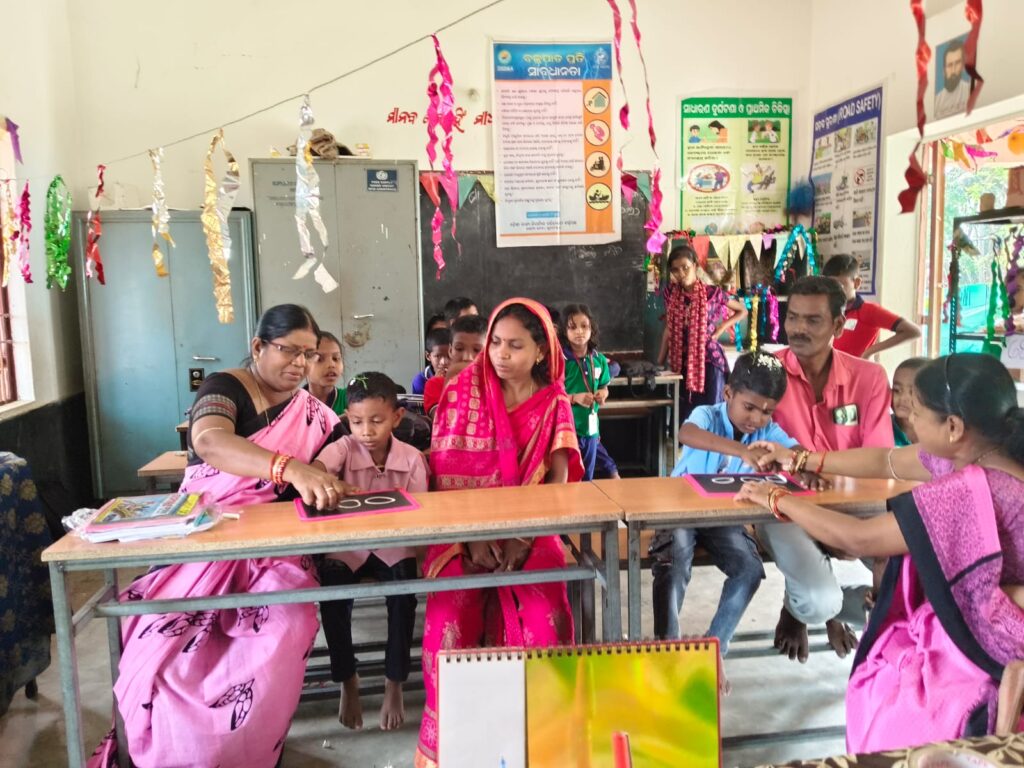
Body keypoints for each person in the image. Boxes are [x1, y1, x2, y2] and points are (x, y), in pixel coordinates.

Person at [89, 305, 352, 768]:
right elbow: (210, 440)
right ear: (258, 347)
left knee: (285, 628)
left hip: (273, 551)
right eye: (289, 350)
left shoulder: (314, 413)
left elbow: (338, 459)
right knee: (160, 647)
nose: (300, 364)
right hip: (205, 542)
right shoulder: (225, 388)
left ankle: (250, 751)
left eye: (308, 354)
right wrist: (288, 467)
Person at [742, 353, 1024, 753]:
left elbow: (859, 538)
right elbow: (886, 461)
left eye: (917, 413)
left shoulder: (967, 490)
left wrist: (776, 498)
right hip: (1001, 620)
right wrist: (801, 458)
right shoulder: (990, 455)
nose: (908, 419)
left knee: (888, 692)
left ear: (953, 427)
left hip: (991, 647)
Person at [414, 298, 583, 768]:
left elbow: (558, 481)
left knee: (545, 615)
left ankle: (543, 741)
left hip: (534, 528)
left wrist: (523, 537)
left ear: (541, 351)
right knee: (450, 621)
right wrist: (472, 537)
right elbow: (445, 474)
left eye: (515, 346)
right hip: (461, 530)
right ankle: (453, 746)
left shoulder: (554, 402)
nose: (500, 354)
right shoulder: (459, 391)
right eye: (495, 343)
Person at [756, 275, 894, 664]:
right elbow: (751, 453)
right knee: (817, 601)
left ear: (838, 325)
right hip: (780, 505)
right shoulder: (765, 372)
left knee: (913, 581)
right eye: (793, 317)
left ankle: (809, 605)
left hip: (855, 508)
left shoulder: (869, 379)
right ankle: (810, 608)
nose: (798, 328)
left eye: (813, 320)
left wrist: (845, 530)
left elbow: (877, 462)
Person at [651, 350, 795, 656]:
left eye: (767, 411)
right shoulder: (708, 415)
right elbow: (687, 433)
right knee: (673, 563)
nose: (756, 419)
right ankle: (667, 650)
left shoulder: (769, 432)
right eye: (749, 407)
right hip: (680, 510)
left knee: (749, 569)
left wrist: (796, 461)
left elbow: (798, 452)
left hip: (724, 518)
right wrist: (741, 451)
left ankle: (714, 650)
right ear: (728, 393)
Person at [313, 372, 429, 733]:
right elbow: (315, 470)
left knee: (403, 597)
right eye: (357, 421)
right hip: (348, 545)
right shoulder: (344, 448)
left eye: (376, 420)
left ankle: (394, 682)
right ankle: (348, 679)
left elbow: (422, 513)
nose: (366, 430)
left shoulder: (412, 459)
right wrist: (327, 481)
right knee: (332, 597)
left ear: (397, 417)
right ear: (348, 419)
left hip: (394, 545)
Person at [658, 244, 747, 421]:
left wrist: (721, 328)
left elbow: (742, 310)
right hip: (681, 361)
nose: (681, 273)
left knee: (711, 413)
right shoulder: (671, 294)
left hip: (709, 361)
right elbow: (669, 329)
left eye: (685, 267)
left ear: (695, 266)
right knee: (685, 415)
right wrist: (659, 363)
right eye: (675, 270)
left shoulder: (712, 293)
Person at [822, 254, 922, 358]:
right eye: (830, 285)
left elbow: (913, 331)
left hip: (856, 367)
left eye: (840, 285)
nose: (834, 291)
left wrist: (870, 352)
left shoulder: (868, 311)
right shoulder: (826, 309)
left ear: (856, 283)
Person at [561, 303, 619, 481]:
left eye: (584, 326)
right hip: (567, 430)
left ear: (591, 328)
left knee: (588, 477)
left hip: (591, 430)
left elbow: (604, 386)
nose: (579, 331)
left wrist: (603, 393)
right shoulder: (561, 361)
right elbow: (552, 396)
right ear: (564, 331)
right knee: (570, 477)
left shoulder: (599, 360)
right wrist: (574, 398)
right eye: (572, 327)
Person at [423, 313, 487, 416]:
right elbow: (442, 419)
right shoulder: (435, 384)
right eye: (459, 349)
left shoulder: (494, 384)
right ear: (450, 350)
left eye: (477, 350)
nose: (467, 357)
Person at [306, 331, 347, 415]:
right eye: (320, 359)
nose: (331, 364)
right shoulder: (293, 404)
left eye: (336, 358)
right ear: (303, 364)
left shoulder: (351, 399)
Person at [891, 356, 928, 446]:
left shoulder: (939, 432)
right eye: (897, 390)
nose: (903, 398)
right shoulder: (881, 427)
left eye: (913, 392)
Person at [935, 38, 970, 119]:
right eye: (950, 65)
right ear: (944, 70)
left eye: (957, 63)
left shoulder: (968, 91)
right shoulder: (937, 101)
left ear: (962, 66)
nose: (953, 70)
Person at [412, 327, 451, 395]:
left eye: (449, 355)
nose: (444, 362)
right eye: (437, 356)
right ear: (428, 356)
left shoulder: (462, 377)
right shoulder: (420, 380)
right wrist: (435, 383)